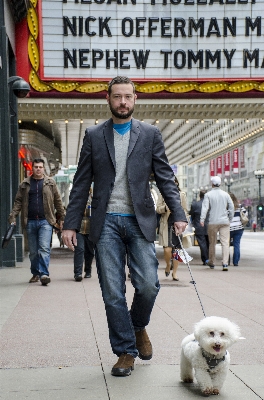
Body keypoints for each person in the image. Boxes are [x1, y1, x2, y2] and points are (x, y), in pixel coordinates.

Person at [62, 76, 187, 377]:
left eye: (127, 96)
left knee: (147, 284)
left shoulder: (150, 134)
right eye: (117, 96)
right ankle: (125, 352)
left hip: (139, 220)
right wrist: (69, 224)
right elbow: (81, 183)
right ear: (108, 99)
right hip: (105, 222)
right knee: (112, 291)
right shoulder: (93, 135)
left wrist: (179, 213)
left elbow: (164, 177)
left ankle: (138, 325)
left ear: (135, 99)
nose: (122, 102)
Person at [8, 158, 65, 285]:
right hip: (30, 222)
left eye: (40, 167)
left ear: (43, 168)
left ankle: (44, 274)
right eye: (36, 167)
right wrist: (13, 216)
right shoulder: (25, 184)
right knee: (33, 252)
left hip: (46, 221)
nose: (38, 169)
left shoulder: (50, 183)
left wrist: (63, 217)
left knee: (44, 248)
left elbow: (57, 200)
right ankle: (35, 273)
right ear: (32, 168)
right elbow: (18, 201)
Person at [156, 176, 188, 281]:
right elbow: (157, 209)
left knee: (177, 250)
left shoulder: (182, 195)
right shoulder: (162, 194)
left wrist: (184, 222)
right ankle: (168, 265)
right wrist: (165, 208)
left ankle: (175, 273)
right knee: (167, 249)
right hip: (166, 224)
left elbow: (185, 210)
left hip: (177, 224)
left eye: (174, 182)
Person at [200, 176, 234, 272]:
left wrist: (202, 219)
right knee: (225, 243)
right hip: (224, 222)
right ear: (220, 184)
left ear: (212, 184)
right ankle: (225, 263)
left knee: (212, 243)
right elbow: (231, 207)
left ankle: (212, 262)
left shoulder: (208, 195)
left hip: (212, 222)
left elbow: (205, 207)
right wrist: (229, 218)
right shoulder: (225, 194)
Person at [74, 193, 94, 281]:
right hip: (79, 229)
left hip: (91, 229)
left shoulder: (94, 199)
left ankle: (88, 271)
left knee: (89, 251)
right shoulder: (77, 199)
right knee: (80, 249)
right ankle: (78, 273)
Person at [190, 190, 209, 265]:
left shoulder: (195, 204)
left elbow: (191, 214)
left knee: (202, 243)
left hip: (198, 226)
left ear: (199, 195)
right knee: (209, 243)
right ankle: (208, 257)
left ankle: (205, 259)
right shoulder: (209, 204)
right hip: (209, 225)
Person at [229, 193, 247, 266]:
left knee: (226, 245)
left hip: (229, 228)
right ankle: (235, 262)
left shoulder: (226, 207)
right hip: (239, 228)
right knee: (237, 244)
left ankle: (226, 261)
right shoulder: (240, 206)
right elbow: (245, 214)